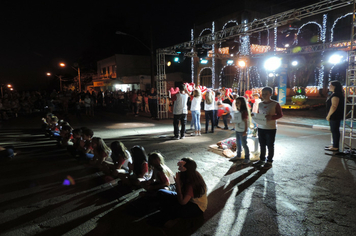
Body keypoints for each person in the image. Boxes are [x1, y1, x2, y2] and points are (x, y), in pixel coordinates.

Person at [156, 157, 208, 226]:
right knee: (161, 192)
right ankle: (171, 215)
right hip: (187, 199)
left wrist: (178, 184)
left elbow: (182, 202)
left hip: (197, 207)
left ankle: (175, 219)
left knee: (173, 207)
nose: (178, 169)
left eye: (180, 167)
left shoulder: (191, 183)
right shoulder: (192, 173)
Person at [253, 86, 283, 169]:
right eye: (263, 94)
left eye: (266, 94)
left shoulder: (275, 104)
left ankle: (269, 161)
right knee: (262, 144)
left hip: (270, 128)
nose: (264, 95)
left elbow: (280, 114)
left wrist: (272, 117)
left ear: (271, 94)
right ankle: (262, 159)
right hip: (261, 127)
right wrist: (255, 117)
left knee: (270, 145)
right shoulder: (260, 104)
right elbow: (259, 114)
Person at [230, 96, 252, 164]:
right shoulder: (238, 111)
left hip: (242, 131)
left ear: (242, 103)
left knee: (244, 144)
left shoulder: (244, 112)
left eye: (238, 103)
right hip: (238, 130)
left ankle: (247, 158)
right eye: (236, 102)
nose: (237, 104)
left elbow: (246, 122)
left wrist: (245, 131)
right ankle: (238, 155)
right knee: (238, 144)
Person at [325, 80, 344, 151]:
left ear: (335, 86)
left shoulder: (336, 95)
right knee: (334, 130)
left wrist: (328, 115)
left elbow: (334, 106)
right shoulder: (336, 94)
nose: (329, 87)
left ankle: (335, 146)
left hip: (335, 116)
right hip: (335, 115)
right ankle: (334, 144)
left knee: (335, 130)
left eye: (331, 85)